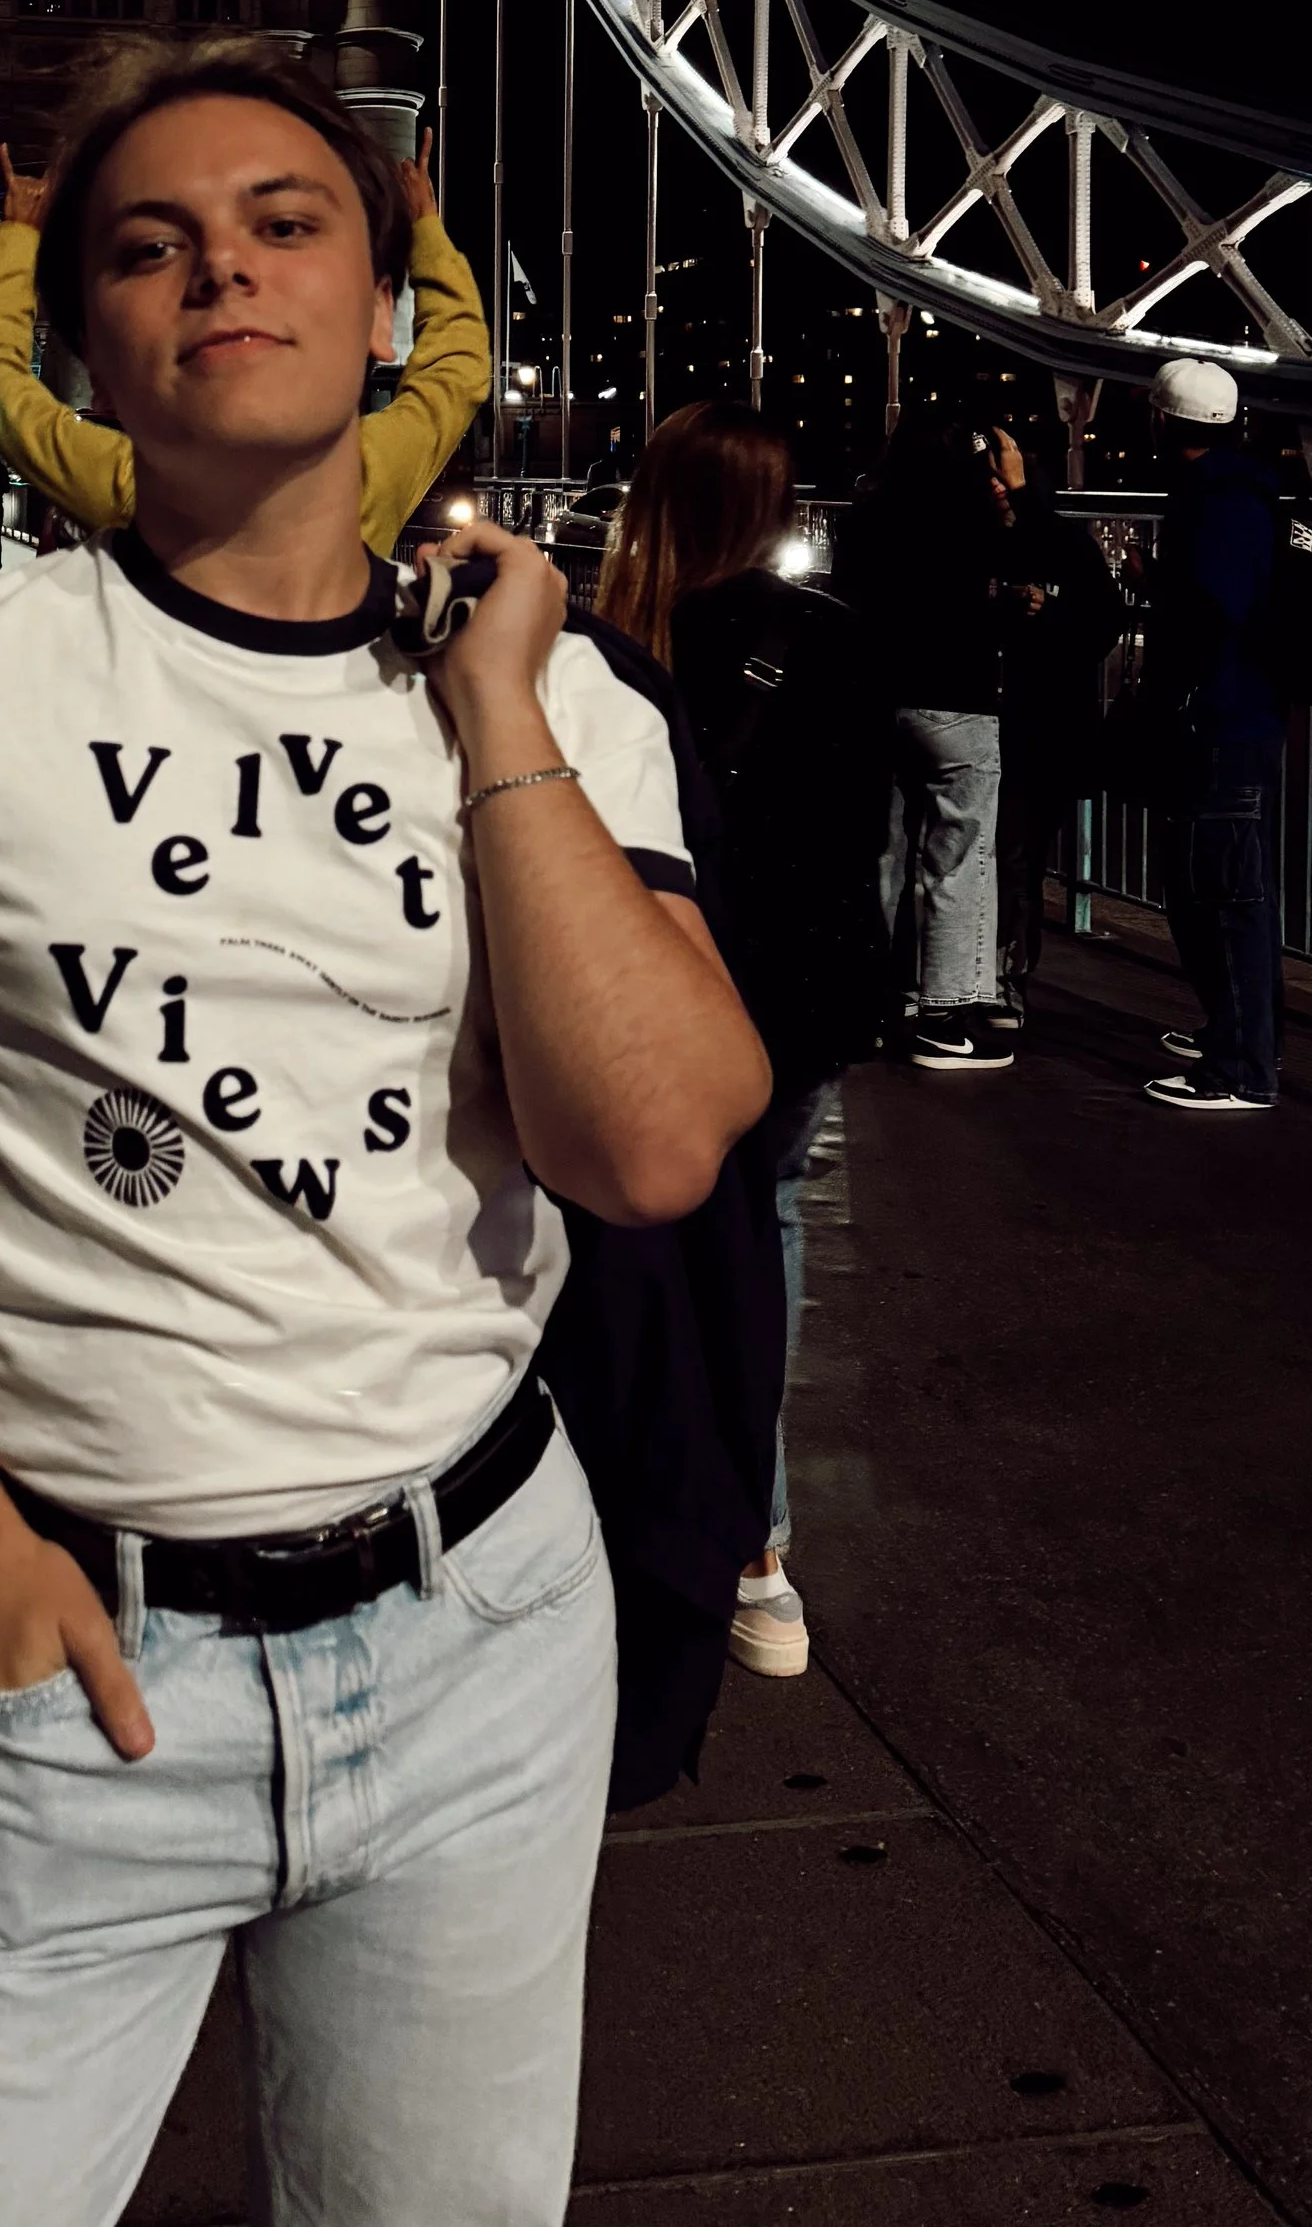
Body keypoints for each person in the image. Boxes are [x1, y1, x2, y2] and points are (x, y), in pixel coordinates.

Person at [0, 36, 769, 2225]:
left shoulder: (563, 698)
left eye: (285, 223)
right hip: (66, 1664)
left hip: (486, 1625)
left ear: (385, 311)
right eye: (151, 244)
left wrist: (496, 712)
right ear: (84, 339)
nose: (222, 267)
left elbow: (654, 1149)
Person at [597, 401, 885, 1683]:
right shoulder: (834, 637)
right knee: (766, 1231)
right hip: (807, 998)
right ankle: (758, 1563)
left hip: (670, 998)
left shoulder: (617, 653)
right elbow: (861, 833)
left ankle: (649, 1526)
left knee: (646, 1251)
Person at [0, 121, 490, 555]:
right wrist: (425, 227)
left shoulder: (137, 488)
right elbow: (458, 364)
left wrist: (19, 235)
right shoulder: (375, 471)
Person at [832, 410, 1012, 1066]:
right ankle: (944, 1015)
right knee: (958, 858)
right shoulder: (975, 514)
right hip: (958, 701)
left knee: (880, 854)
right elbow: (1028, 566)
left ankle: (869, 1006)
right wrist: (1016, 491)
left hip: (876, 700)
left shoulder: (866, 513)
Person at [1134, 358, 1284, 1108]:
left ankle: (1241, 1069)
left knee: (1221, 896)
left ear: (1164, 420)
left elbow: (1212, 608)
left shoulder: (1213, 500)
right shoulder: (1252, 490)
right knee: (1231, 891)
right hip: (1246, 714)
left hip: (1218, 719)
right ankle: (1244, 1035)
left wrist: (1158, 591)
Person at [989, 424, 1124, 1017]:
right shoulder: (966, 538)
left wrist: (1051, 610)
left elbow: (1103, 623)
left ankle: (1007, 977)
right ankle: (972, 977)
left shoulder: (1064, 543)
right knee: (992, 855)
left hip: (1040, 729)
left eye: (1006, 477)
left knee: (1019, 857)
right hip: (989, 718)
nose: (997, 487)